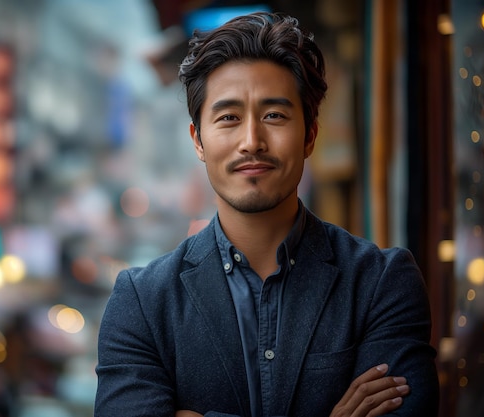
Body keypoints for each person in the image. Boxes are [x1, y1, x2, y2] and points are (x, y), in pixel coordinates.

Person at [94, 12, 439, 417]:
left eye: (274, 115)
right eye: (228, 118)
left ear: (310, 135)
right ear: (198, 140)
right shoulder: (143, 302)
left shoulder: (381, 282)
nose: (252, 141)